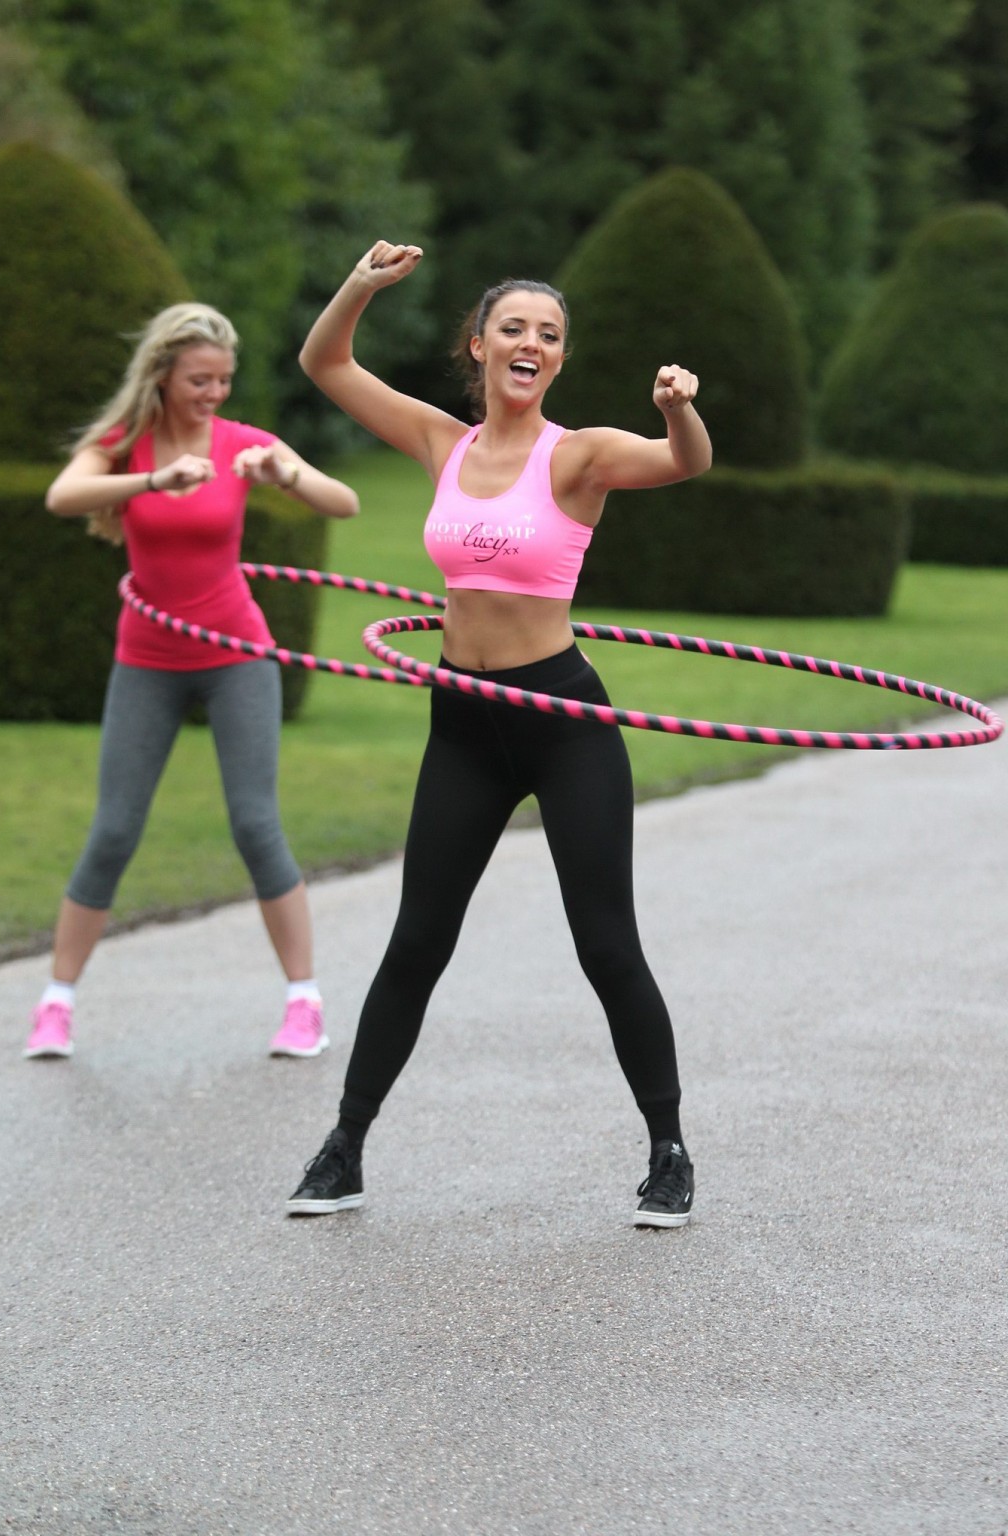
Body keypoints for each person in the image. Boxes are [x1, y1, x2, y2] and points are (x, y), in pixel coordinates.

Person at [287, 240, 713, 1228]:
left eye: (549, 336)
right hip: (463, 723)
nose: (531, 344)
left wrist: (677, 407)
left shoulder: (581, 455)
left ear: (558, 363)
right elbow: (325, 366)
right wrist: (360, 286)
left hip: (563, 721)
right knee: (416, 941)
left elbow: (683, 462)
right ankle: (344, 1147)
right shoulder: (443, 445)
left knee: (606, 942)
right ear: (478, 346)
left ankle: (669, 1150)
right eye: (514, 328)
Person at [24, 302, 359, 1062]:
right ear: (164, 376)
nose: (214, 393)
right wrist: (150, 478)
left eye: (224, 381)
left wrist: (285, 473)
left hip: (236, 652)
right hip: (148, 657)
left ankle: (303, 1004)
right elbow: (61, 495)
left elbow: (346, 501)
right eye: (200, 380)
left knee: (254, 823)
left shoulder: (244, 444)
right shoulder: (128, 444)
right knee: (113, 830)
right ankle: (56, 1003)